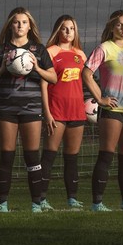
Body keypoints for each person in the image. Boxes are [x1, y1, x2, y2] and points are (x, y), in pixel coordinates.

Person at [0, 7, 57, 213]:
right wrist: (2, 69)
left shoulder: (39, 50)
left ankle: (36, 204)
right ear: (10, 25)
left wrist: (37, 68)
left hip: (31, 108)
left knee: (32, 156)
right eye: (16, 22)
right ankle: (3, 203)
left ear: (30, 26)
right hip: (7, 108)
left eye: (24, 22)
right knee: (7, 156)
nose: (20, 25)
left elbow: (53, 78)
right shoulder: (1, 50)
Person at [82, 10, 123, 212]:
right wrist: (100, 98)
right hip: (112, 108)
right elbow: (87, 74)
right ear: (112, 27)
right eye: (119, 24)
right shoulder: (105, 48)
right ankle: (97, 203)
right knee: (106, 155)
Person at [41, 15, 88, 209]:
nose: (68, 32)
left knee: (72, 157)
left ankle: (72, 198)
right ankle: (41, 199)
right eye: (64, 28)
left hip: (77, 111)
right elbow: (43, 84)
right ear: (57, 30)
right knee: (49, 156)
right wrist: (47, 112)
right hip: (56, 111)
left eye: (72, 29)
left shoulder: (81, 55)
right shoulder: (50, 52)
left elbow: (86, 81)